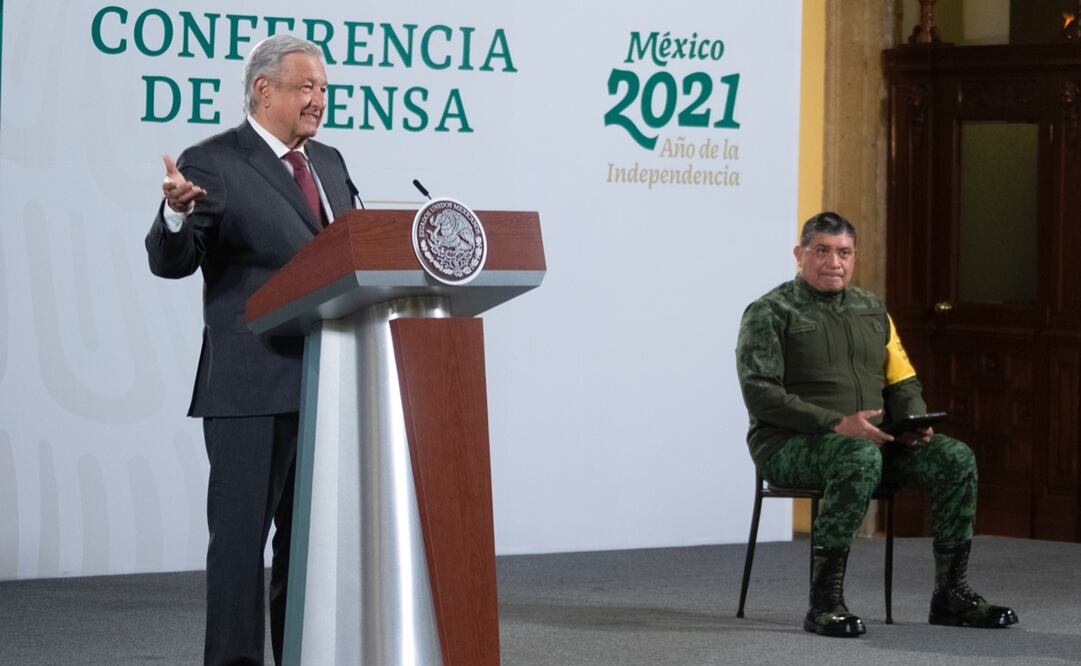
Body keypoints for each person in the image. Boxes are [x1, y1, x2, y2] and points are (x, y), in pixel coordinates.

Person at [145, 34, 356, 664]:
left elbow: (346, 256)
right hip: (250, 387)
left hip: (324, 382)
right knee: (240, 548)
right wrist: (176, 216)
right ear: (263, 90)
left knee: (306, 549)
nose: (318, 101)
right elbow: (172, 262)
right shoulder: (213, 164)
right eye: (305, 88)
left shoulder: (333, 163)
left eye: (323, 89)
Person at [735, 211, 1018, 637]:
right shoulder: (770, 312)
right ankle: (825, 603)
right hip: (789, 444)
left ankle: (951, 596)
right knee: (857, 457)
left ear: (854, 257)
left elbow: (903, 379)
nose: (834, 262)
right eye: (822, 251)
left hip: (876, 441)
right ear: (800, 254)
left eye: (844, 253)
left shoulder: (872, 310)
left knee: (954, 457)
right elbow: (762, 394)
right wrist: (835, 423)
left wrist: (911, 419)